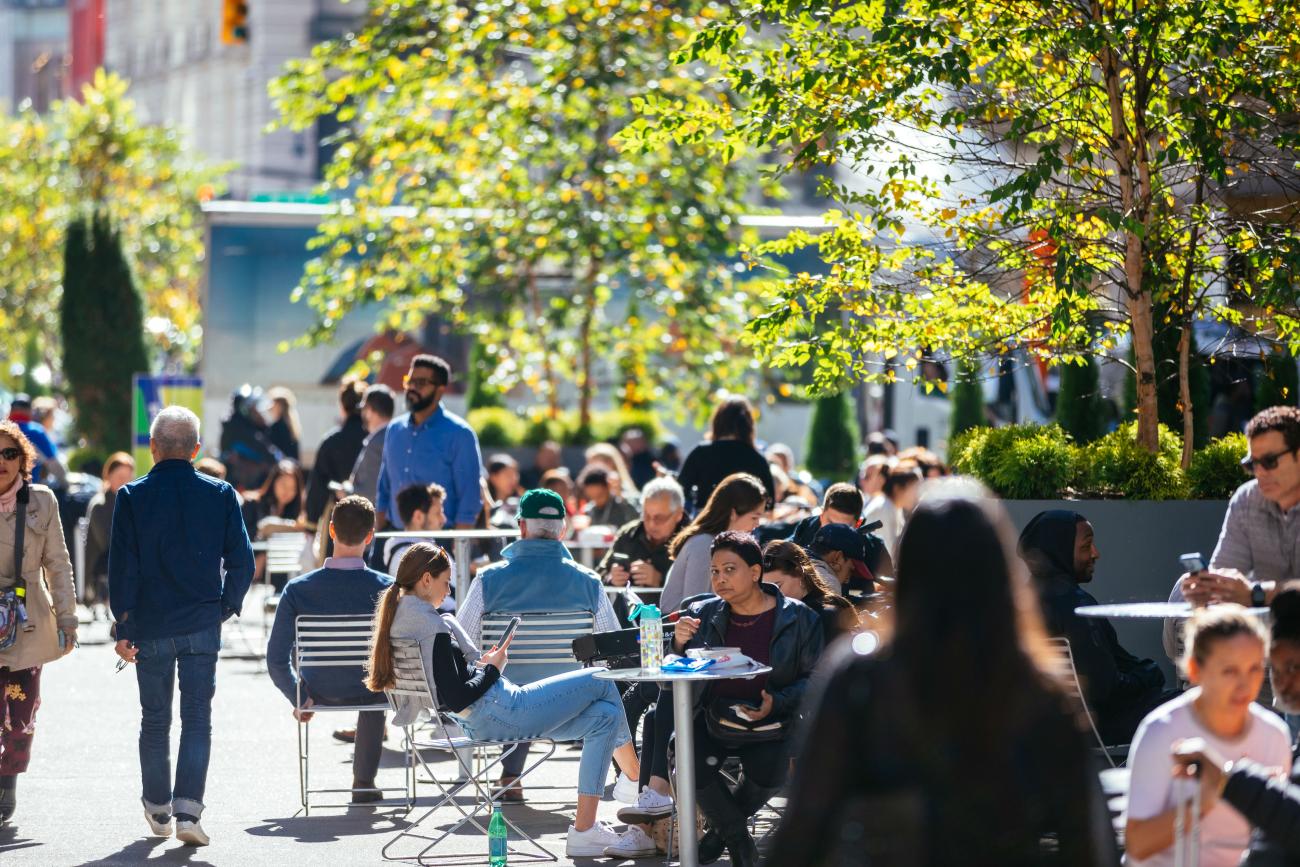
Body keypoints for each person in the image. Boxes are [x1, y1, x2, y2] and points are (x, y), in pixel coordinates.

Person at [765, 479, 1117, 866]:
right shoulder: (1039, 691)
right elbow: (1087, 839)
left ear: (910, 567)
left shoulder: (859, 677)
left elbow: (805, 825)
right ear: (1000, 573)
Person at [368, 542, 642, 858]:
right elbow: (458, 698)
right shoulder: (431, 625)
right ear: (426, 580)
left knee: (606, 717)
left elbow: (450, 689)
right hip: (501, 711)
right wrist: (494, 670)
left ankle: (584, 831)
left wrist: (480, 667)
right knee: (602, 681)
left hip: (485, 716)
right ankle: (634, 781)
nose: (449, 591)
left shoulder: (400, 618)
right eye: (447, 583)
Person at [109, 406, 255, 846]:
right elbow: (242, 562)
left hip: (150, 624)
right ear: (196, 449)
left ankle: (158, 809)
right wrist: (225, 607)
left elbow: (122, 570)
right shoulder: (221, 493)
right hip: (201, 622)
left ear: (152, 448)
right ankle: (188, 810)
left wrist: (123, 624)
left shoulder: (131, 496)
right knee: (197, 719)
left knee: (154, 720)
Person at [633, 531, 823, 866]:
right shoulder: (703, 614)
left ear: (755, 572)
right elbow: (668, 681)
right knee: (686, 758)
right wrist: (677, 646)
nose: (720, 578)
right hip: (713, 720)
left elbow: (816, 680)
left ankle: (722, 833)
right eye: (714, 570)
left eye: (729, 569)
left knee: (769, 772)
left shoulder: (800, 618)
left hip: (773, 722)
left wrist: (776, 703)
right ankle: (738, 840)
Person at [457, 488, 620, 803]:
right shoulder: (589, 582)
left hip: (502, 713)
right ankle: (623, 785)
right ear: (562, 529)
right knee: (601, 700)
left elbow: (462, 642)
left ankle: (510, 775)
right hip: (570, 713)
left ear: (521, 527)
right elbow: (610, 647)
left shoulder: (487, 581)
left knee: (512, 680)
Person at [1126, 605, 1292, 866]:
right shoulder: (1162, 730)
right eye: (1229, 671)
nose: (1244, 684)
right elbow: (1137, 845)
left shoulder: (1274, 734)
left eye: (1255, 669)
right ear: (1194, 670)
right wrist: (1202, 802)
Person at [265, 496, 392, 802]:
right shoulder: (388, 588)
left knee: (373, 681)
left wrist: (298, 695)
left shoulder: (297, 589)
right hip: (369, 689)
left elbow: (275, 657)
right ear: (370, 536)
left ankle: (363, 781)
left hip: (318, 687)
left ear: (331, 531)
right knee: (378, 685)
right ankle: (363, 781)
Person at [1169, 580, 1300, 865]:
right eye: (1274, 670)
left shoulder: (1273, 734)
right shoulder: (1164, 728)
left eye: (1293, 667)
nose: (1283, 684)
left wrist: (1226, 778)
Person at [1019, 509, 1168, 744]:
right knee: (1189, 704)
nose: (1096, 553)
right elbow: (1105, 689)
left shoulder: (1020, 603)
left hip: (1044, 728)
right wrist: (1150, 674)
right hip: (1095, 726)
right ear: (1060, 551)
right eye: (1086, 546)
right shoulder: (1077, 607)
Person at [1164, 406, 1300, 663]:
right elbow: (1225, 573)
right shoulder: (1248, 500)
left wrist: (1256, 595)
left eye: (1270, 461)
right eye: (1252, 464)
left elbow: (1249, 593)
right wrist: (1209, 589)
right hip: (1268, 652)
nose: (1260, 473)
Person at [0, 422, 76, 825]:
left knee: (20, 710)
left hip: (27, 621)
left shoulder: (42, 501)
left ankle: (7, 783)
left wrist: (68, 618)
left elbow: (58, 563)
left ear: (23, 460)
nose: (2, 462)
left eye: (10, 453)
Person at [376, 355, 484, 530]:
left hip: (440, 541)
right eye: (409, 382)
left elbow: (469, 500)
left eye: (420, 384)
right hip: (394, 537)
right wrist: (378, 538)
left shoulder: (460, 434)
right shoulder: (395, 429)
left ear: (440, 390)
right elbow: (384, 488)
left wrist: (458, 547)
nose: (411, 388)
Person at [660, 472, 767, 613]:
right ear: (733, 513)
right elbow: (695, 606)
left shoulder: (719, 545)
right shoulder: (703, 545)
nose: (757, 524)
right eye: (754, 517)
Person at [675, 396, 775, 511]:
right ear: (748, 424)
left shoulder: (701, 452)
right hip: (744, 526)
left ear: (717, 420)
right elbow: (769, 504)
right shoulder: (757, 459)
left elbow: (680, 492)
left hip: (706, 524)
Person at [597, 475, 689, 598]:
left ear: (678, 515)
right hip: (628, 615)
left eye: (659, 518)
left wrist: (661, 580)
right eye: (646, 516)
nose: (651, 524)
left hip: (673, 616)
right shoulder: (628, 534)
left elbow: (699, 588)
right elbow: (598, 575)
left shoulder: (692, 540)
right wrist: (611, 578)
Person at [762, 539, 858, 643]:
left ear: (800, 574)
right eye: (765, 589)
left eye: (777, 586)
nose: (771, 595)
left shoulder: (827, 615)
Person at [304, 378, 368, 533]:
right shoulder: (375, 440)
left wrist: (311, 526)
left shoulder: (331, 442)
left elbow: (317, 486)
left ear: (342, 406)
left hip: (339, 520)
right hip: (370, 519)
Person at [84, 451, 136, 613]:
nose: (124, 481)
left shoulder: (131, 501)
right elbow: (108, 542)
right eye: (120, 476)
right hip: (103, 563)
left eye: (128, 477)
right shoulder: (100, 504)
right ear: (108, 475)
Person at [218, 384, 280, 491]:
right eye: (254, 407)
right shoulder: (242, 431)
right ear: (245, 409)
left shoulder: (237, 426)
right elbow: (273, 457)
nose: (257, 411)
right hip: (245, 487)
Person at [383, 483, 447, 576]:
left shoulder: (393, 544)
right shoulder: (415, 555)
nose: (444, 519)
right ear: (418, 516)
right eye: (438, 513)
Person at [347, 384, 396, 505]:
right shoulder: (395, 436)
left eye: (364, 408)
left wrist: (346, 492)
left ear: (369, 410)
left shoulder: (377, 443)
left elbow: (369, 492)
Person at [862, 461, 922, 559]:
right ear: (897, 488)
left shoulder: (890, 506)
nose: (917, 495)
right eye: (913, 489)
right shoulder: (885, 508)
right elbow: (887, 554)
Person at [805, 523, 876, 598]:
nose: (847, 581)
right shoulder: (829, 584)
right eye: (850, 571)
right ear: (837, 558)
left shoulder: (794, 559)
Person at [785, 482, 864, 549]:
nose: (834, 532)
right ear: (821, 514)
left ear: (858, 524)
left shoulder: (869, 552)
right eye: (830, 523)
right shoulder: (806, 528)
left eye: (843, 527)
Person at [6, 395, 63, 486]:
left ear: (11, 411)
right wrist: (67, 485)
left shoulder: (2, 430)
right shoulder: (35, 431)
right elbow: (55, 464)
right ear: (29, 411)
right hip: (26, 494)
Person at [264, 386, 302, 461]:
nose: (270, 408)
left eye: (272, 404)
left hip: (281, 468)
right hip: (290, 467)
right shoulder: (292, 426)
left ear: (279, 406)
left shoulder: (277, 427)